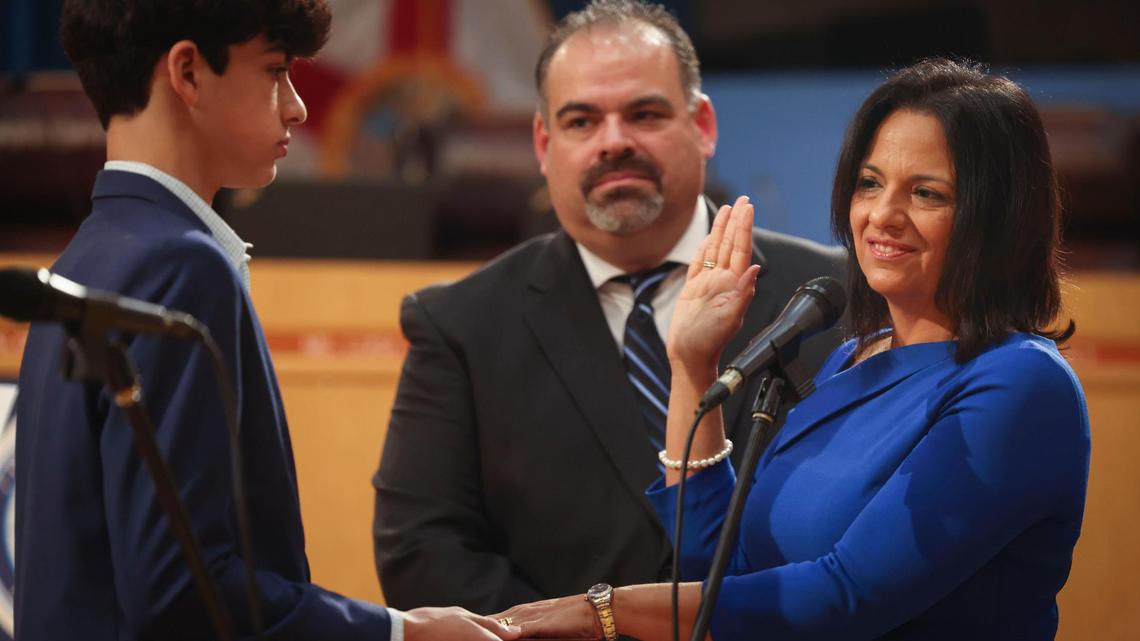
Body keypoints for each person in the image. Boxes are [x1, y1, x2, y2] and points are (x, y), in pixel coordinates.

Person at [492, 58, 1090, 640]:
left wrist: (602, 612)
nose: (882, 215)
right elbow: (719, 567)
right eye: (870, 183)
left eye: (927, 193)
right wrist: (692, 365)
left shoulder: (1019, 386)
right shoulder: (853, 357)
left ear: (999, 215)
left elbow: (843, 600)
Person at [14, 2, 520, 640]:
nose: (298, 107)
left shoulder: (85, 256)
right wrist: (401, 631)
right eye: (276, 71)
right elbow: (180, 590)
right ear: (189, 72)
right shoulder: (181, 264)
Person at [373, 0, 844, 616]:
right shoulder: (460, 326)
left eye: (643, 114)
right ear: (544, 142)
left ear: (702, 123)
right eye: (581, 121)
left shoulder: (834, 294)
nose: (613, 142)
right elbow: (422, 553)